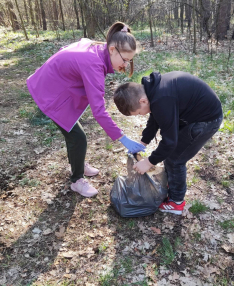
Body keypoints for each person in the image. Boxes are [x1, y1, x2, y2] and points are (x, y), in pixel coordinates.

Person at [27, 22, 145, 198]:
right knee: (77, 137)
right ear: (112, 49)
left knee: (74, 133)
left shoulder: (99, 48)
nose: (126, 65)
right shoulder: (93, 64)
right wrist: (122, 138)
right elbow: (99, 111)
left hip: (56, 83)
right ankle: (77, 180)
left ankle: (78, 163)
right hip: (48, 90)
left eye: (129, 60)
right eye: (125, 60)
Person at [113, 71, 223, 215]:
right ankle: (170, 184)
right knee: (171, 156)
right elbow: (155, 118)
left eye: (139, 113)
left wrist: (149, 162)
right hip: (191, 115)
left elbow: (170, 142)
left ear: (142, 101)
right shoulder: (152, 90)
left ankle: (176, 202)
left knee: (175, 159)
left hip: (206, 121)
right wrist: (144, 141)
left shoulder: (162, 99)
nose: (142, 114)